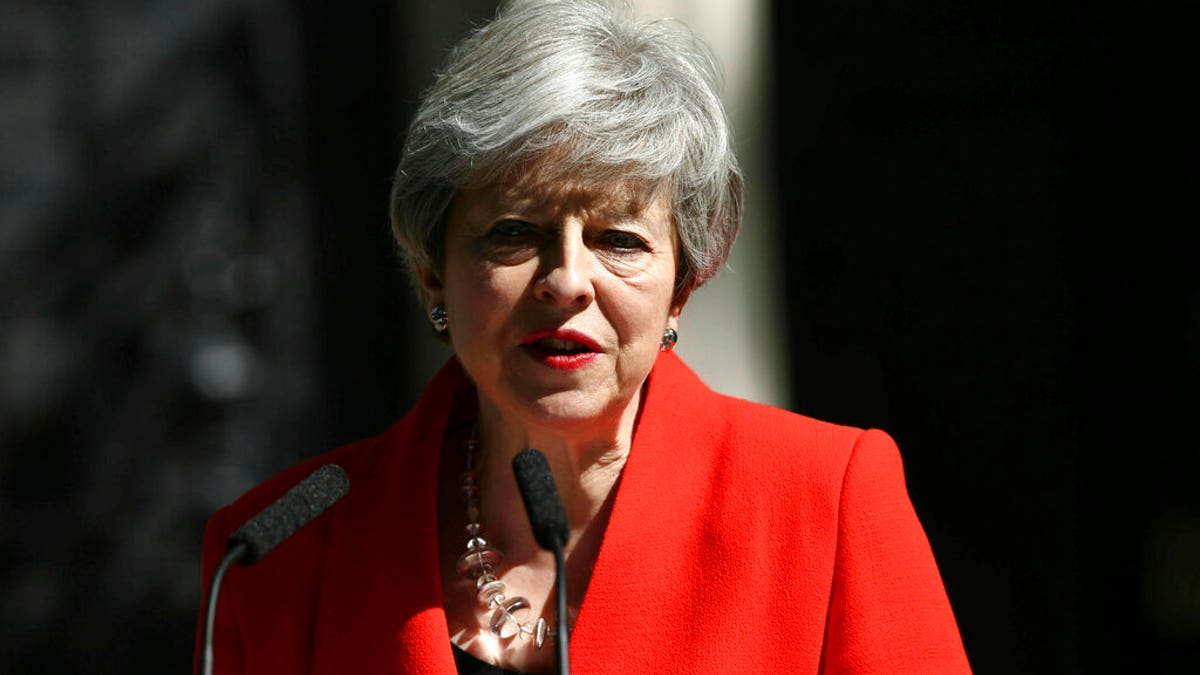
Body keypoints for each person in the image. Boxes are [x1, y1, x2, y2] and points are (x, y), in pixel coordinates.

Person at [195, 1, 971, 673]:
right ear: (431, 271)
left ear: (685, 281)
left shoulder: (824, 504)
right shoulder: (279, 554)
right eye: (513, 231)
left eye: (620, 239)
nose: (567, 279)